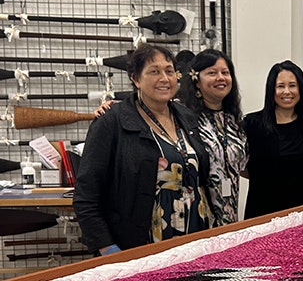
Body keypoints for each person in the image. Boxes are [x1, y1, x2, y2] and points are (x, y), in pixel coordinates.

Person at [73, 43, 213, 255]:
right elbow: (86, 196)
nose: (164, 79)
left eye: (169, 71)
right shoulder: (112, 122)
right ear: (136, 79)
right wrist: (107, 247)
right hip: (140, 242)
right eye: (154, 71)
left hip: (195, 236)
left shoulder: (186, 117)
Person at [242, 60, 303, 219]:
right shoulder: (252, 124)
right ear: (271, 89)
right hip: (265, 213)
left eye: (293, 85)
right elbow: (242, 168)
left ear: (301, 89)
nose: (287, 91)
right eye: (280, 86)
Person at [175, 49, 248, 226]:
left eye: (225, 72)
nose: (221, 78)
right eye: (212, 73)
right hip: (194, 215)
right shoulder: (180, 116)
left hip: (229, 214)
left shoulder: (233, 120)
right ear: (196, 80)